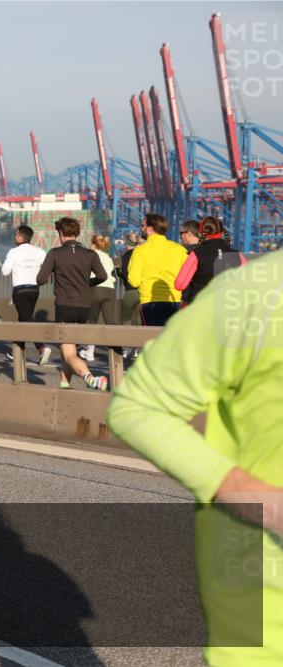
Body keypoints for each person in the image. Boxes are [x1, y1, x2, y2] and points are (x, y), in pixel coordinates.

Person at [107, 250, 283, 667]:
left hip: (158, 302)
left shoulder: (175, 255)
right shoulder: (254, 291)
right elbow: (138, 406)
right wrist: (256, 496)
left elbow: (173, 281)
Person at [35, 217, 108, 391]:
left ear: (61, 233)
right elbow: (103, 276)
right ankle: (64, 382)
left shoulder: (55, 253)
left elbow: (40, 280)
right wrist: (87, 284)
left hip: (65, 305)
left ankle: (90, 379)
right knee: (68, 349)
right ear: (77, 233)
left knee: (68, 352)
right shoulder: (91, 254)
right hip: (84, 306)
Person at [0, 225, 50, 366]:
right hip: (34, 289)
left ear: (20, 237)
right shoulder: (39, 251)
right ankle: (17, 350)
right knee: (24, 318)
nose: (15, 237)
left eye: (16, 234)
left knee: (27, 319)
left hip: (20, 290)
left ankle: (41, 347)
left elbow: (4, 272)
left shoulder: (13, 252)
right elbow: (47, 268)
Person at [127, 213, 187, 327]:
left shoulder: (140, 250)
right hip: (174, 300)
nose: (141, 228)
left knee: (152, 340)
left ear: (150, 228)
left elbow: (134, 281)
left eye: (143, 225)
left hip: (149, 301)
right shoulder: (179, 249)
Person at [174, 216, 246, 306]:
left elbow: (180, 284)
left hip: (200, 305)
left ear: (201, 232)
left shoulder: (196, 254)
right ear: (222, 231)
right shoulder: (237, 255)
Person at [78, 234, 118, 363]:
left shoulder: (89, 254)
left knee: (92, 321)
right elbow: (112, 273)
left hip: (96, 288)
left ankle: (89, 352)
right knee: (110, 322)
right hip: (110, 290)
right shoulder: (108, 257)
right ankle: (116, 351)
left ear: (93, 244)